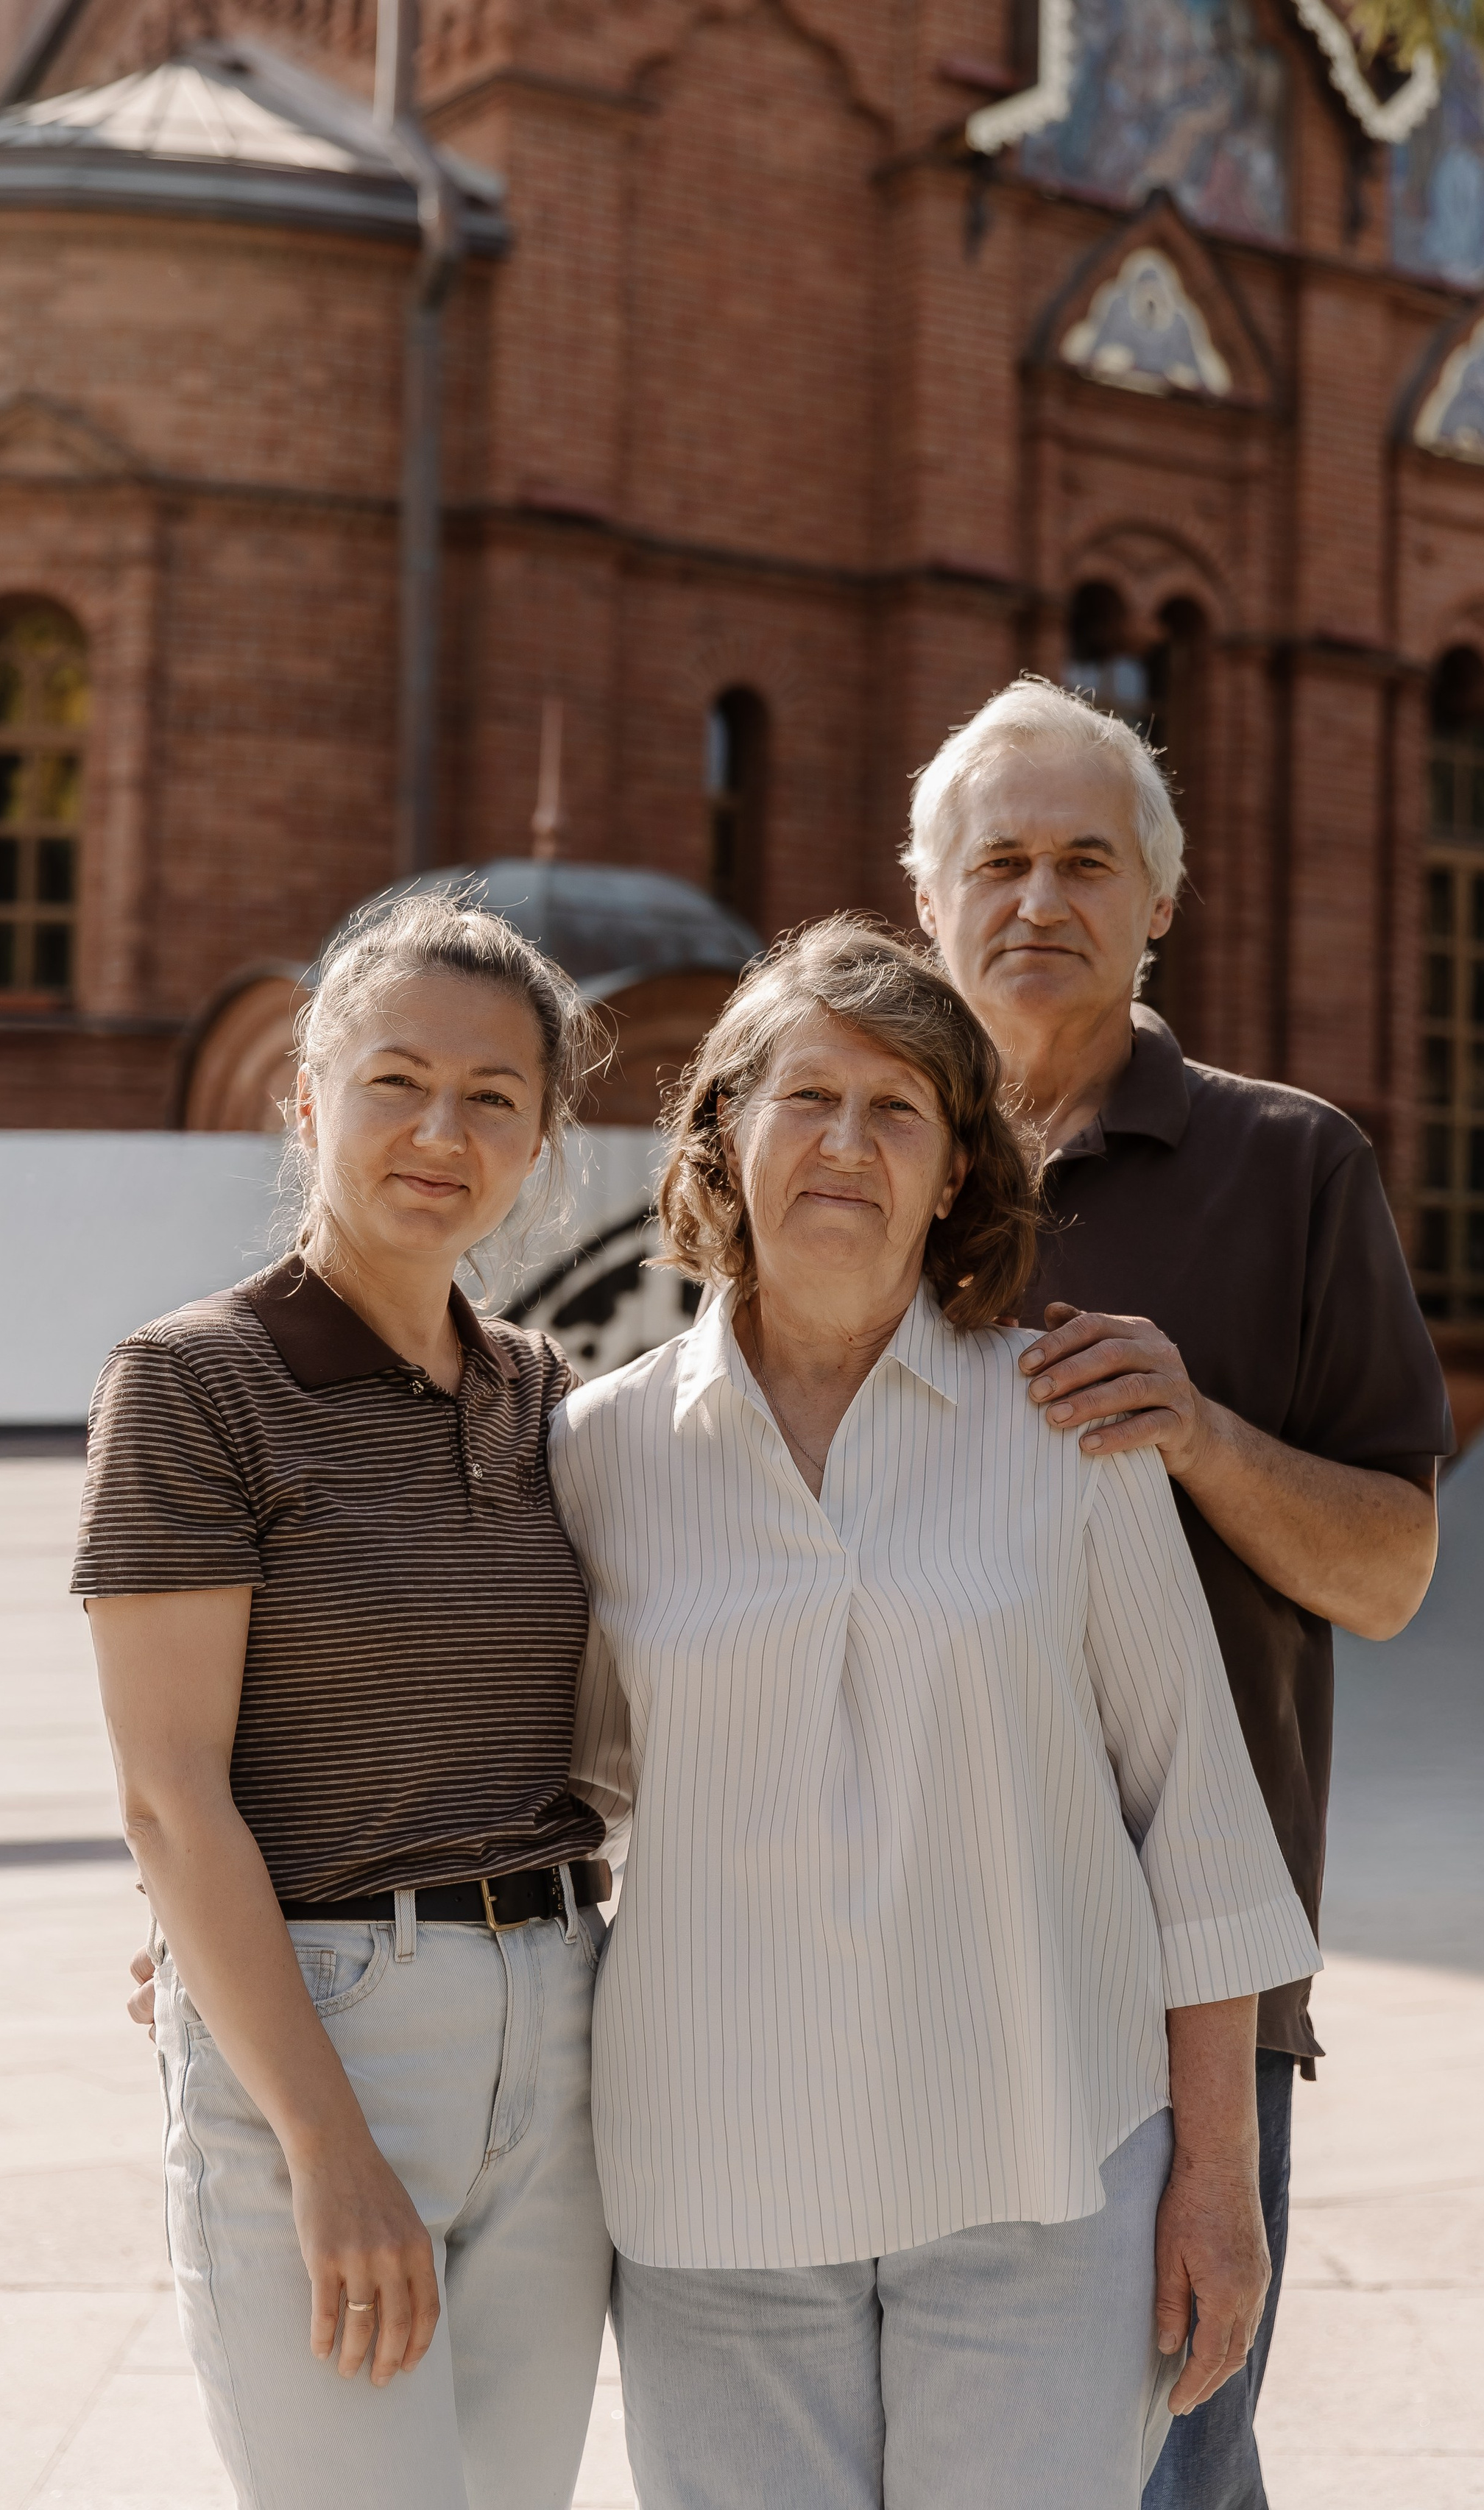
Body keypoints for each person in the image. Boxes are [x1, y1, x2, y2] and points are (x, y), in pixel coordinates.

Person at [551, 917, 1324, 2510]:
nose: (846, 1142)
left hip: (1041, 2165)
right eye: (804, 1097)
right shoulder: (597, 1455)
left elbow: (1193, 1817)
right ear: (721, 1136)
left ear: (958, 1169)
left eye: (898, 1108)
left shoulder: (1070, 1420)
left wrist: (1216, 2179)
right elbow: (541, 1793)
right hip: (714, 2189)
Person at [905, 677, 1453, 2510]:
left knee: (1166, 2460)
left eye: (1085, 860)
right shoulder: (850, 1158)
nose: (1037, 900)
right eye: (996, 861)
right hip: (884, 1954)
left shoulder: (1288, 1163)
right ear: (930, 905)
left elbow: (1387, 1574)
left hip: (1183, 1982)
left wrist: (1203, 1434)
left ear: (1161, 900)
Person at [74, 894, 618, 2510]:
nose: (439, 1130)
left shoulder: (550, 1400)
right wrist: (326, 2144)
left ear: (537, 1144)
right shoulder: (191, 1383)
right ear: (307, 1101)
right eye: (394, 1080)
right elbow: (171, 1796)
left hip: (565, 2018)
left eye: (492, 1097)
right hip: (326, 2033)